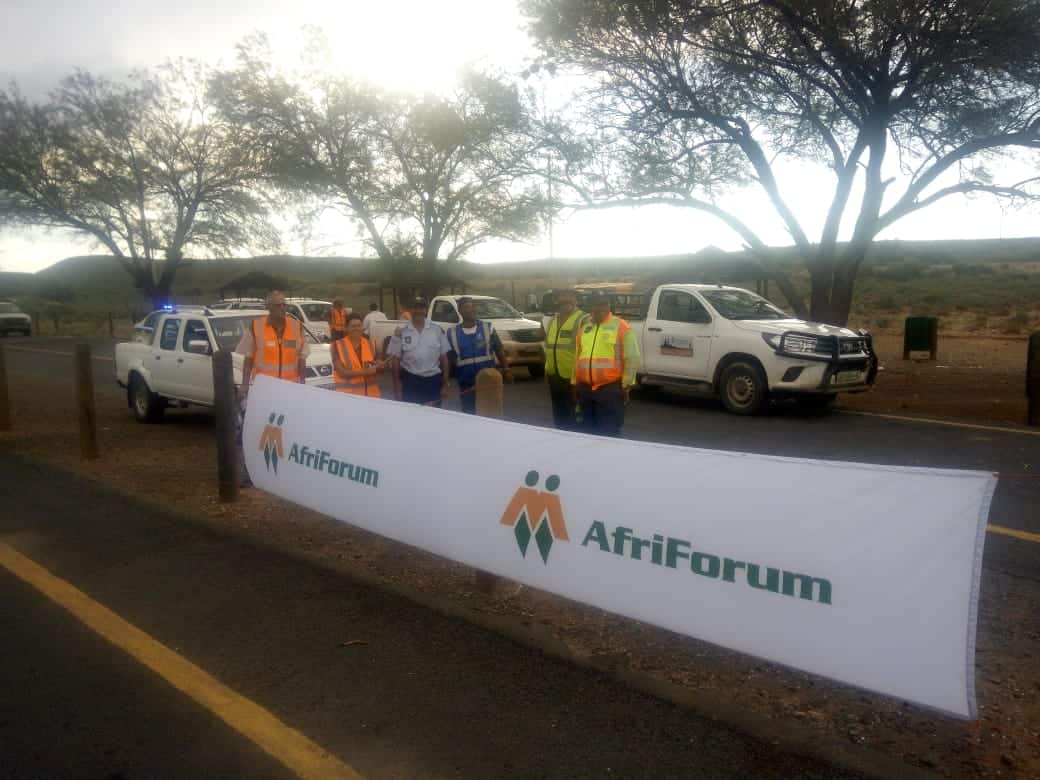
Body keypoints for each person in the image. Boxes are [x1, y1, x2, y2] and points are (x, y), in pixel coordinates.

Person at [235, 290, 310, 485]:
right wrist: (244, 385)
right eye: (278, 305)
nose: (283, 308)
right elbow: (248, 359)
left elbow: (302, 358)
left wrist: (303, 384)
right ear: (268, 307)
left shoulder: (296, 326)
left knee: (288, 431)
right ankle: (249, 471)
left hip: (289, 390)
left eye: (284, 305)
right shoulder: (256, 327)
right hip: (264, 391)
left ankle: (282, 471)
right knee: (256, 430)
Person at [571, 292, 640, 437]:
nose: (600, 308)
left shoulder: (622, 326)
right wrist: (575, 383)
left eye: (604, 304)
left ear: (609, 305)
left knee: (609, 433)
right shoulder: (585, 329)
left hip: (610, 390)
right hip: (585, 390)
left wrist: (626, 385)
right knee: (587, 433)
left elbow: (632, 357)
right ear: (591, 306)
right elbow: (578, 357)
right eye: (596, 304)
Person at [445, 296, 512, 414]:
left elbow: (499, 350)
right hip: (466, 384)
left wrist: (506, 369)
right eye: (466, 307)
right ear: (460, 311)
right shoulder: (452, 333)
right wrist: (446, 382)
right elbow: (449, 359)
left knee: (490, 415)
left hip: (488, 382)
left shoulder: (488, 328)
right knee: (470, 416)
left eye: (472, 306)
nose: (470, 310)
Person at [388, 298, 450, 407]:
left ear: (426, 310)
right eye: (415, 308)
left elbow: (444, 358)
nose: (418, 311)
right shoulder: (401, 331)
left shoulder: (436, 330)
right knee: (411, 415)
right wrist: (396, 387)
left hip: (433, 381)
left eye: (421, 308)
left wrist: (445, 385)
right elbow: (395, 361)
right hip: (410, 381)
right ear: (410, 310)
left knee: (433, 414)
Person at [543, 289, 588, 430]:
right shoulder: (552, 321)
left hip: (573, 377)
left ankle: (576, 438)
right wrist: (547, 370)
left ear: (576, 299)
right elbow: (549, 347)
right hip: (554, 375)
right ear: (556, 300)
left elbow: (589, 350)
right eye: (562, 296)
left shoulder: (584, 319)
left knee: (575, 415)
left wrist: (581, 377)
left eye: (570, 296)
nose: (566, 299)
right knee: (559, 413)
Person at [332, 312, 383, 397]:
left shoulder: (371, 344)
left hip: (371, 396)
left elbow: (378, 370)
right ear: (346, 328)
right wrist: (365, 372)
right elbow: (342, 373)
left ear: (362, 327)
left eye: (359, 326)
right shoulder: (336, 346)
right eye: (353, 326)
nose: (356, 328)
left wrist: (380, 366)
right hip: (349, 397)